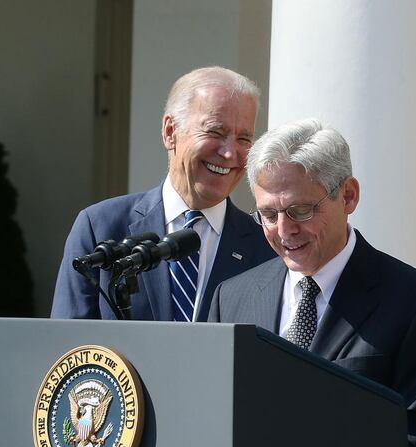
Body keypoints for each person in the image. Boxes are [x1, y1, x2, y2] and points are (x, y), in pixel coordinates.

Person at [208, 118, 416, 447]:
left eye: (300, 210)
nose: (284, 230)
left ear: (349, 196)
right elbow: (211, 422)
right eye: (267, 214)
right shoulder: (232, 296)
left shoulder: (414, 300)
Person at [51, 66, 276, 321]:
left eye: (244, 139)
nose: (229, 153)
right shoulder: (101, 226)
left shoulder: (267, 245)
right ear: (170, 132)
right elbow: (68, 350)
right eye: (215, 132)